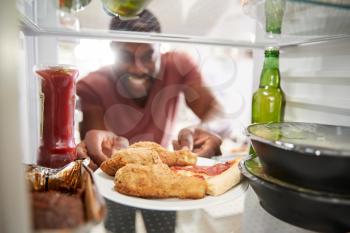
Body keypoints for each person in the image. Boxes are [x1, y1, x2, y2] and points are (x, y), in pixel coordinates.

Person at [77, 10, 223, 233]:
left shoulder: (177, 65)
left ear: (160, 49)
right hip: (115, 177)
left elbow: (214, 111)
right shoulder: (92, 84)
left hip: (163, 173)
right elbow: (97, 142)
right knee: (119, 230)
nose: (138, 68)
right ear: (111, 49)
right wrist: (99, 148)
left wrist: (206, 130)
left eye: (148, 56)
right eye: (126, 56)